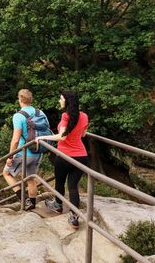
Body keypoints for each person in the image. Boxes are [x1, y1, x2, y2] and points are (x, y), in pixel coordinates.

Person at [36, 90, 89, 229]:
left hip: (65, 156)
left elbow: (62, 136)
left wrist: (42, 137)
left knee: (60, 182)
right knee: (73, 186)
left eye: (61, 99)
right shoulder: (84, 116)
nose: (59, 101)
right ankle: (74, 218)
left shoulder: (65, 116)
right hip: (81, 156)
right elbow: (83, 134)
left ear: (67, 101)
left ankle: (58, 205)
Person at [2, 89, 48, 211]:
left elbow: (15, 140)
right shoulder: (41, 113)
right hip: (38, 151)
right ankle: (32, 204)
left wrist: (10, 157)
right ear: (31, 100)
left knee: (7, 173)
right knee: (31, 178)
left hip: (24, 153)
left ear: (20, 100)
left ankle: (24, 199)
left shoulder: (18, 116)